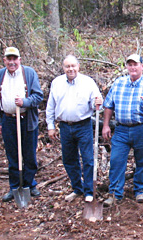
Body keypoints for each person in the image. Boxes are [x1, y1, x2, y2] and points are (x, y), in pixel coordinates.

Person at [101, 54, 143, 206]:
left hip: (141, 128)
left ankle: (140, 191)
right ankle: (115, 193)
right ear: (127, 67)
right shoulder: (119, 83)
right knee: (116, 161)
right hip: (121, 129)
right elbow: (108, 105)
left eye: (135, 64)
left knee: (142, 161)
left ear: (142, 66)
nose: (133, 67)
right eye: (130, 64)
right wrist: (106, 125)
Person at [46, 55, 103, 203]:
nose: (70, 69)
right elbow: (50, 106)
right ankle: (78, 188)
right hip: (65, 126)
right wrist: (51, 126)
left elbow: (96, 105)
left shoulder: (88, 82)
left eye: (73, 66)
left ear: (78, 66)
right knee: (69, 160)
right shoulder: (57, 83)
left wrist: (97, 103)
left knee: (88, 159)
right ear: (63, 68)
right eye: (67, 66)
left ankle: (89, 191)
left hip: (83, 125)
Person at [0, 47, 43, 202]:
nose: (12, 62)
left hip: (26, 120)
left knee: (29, 155)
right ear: (4, 60)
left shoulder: (28, 73)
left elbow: (38, 96)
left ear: (19, 60)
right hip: (8, 120)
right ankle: (14, 187)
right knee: (12, 155)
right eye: (9, 59)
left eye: (15, 59)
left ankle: (29, 184)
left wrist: (24, 102)